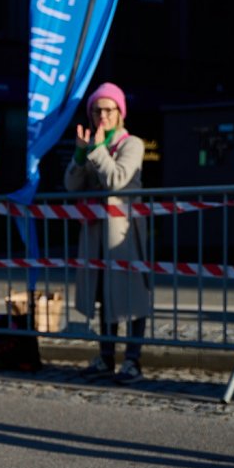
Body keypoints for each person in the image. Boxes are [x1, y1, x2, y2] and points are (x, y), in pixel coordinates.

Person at [64, 82, 153, 384]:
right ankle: (105, 357)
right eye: (96, 110)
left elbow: (116, 179)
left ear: (119, 113)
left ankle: (133, 360)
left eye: (108, 109)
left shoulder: (133, 144)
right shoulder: (92, 144)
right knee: (104, 294)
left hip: (124, 234)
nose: (102, 115)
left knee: (134, 295)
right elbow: (71, 186)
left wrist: (97, 150)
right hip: (96, 233)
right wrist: (79, 156)